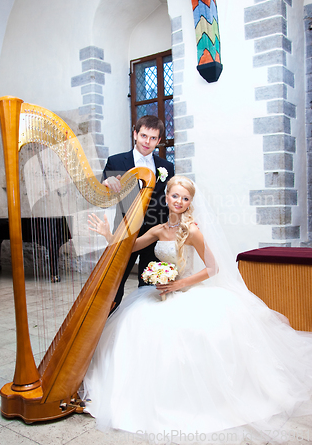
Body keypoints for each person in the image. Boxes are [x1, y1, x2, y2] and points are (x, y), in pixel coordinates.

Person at [81, 175, 312, 443]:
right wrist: (109, 235)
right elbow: (130, 248)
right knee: (132, 326)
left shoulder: (192, 231)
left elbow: (213, 268)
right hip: (160, 292)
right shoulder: (158, 230)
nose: (179, 201)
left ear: (190, 202)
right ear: (166, 197)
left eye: (185, 198)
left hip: (188, 291)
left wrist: (180, 284)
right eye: (175, 196)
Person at [102, 115, 174, 310]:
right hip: (124, 233)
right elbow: (103, 199)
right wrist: (106, 184)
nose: (147, 142)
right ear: (135, 134)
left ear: (159, 141)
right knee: (115, 285)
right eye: (143, 135)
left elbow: (173, 200)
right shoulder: (116, 161)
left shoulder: (167, 167)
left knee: (149, 286)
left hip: (155, 234)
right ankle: (108, 324)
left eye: (153, 138)